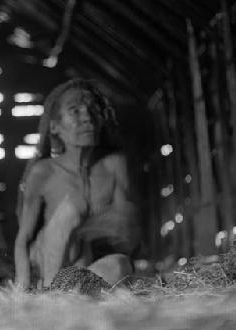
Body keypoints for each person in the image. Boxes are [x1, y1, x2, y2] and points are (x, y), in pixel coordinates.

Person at [14, 79, 141, 289]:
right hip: (50, 264)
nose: (87, 118)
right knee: (70, 211)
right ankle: (52, 292)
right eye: (75, 111)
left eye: (93, 109)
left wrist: (120, 223)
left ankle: (72, 294)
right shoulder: (43, 172)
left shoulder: (115, 166)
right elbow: (24, 238)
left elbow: (126, 233)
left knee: (120, 264)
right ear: (55, 127)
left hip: (89, 268)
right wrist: (21, 288)